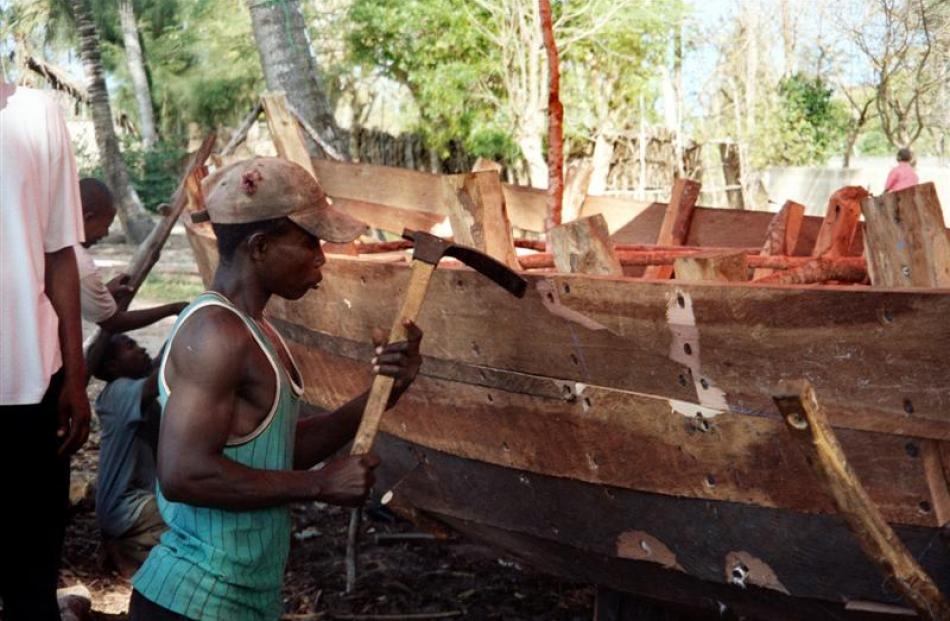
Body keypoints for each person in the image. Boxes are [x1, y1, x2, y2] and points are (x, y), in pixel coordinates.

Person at [129, 157, 424, 620]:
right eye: (310, 243)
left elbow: (277, 448)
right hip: (194, 600)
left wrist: (386, 391)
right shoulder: (216, 334)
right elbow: (184, 474)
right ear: (260, 246)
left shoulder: (255, 328)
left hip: (240, 600)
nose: (322, 258)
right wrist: (319, 484)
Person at [0, 83, 91, 619]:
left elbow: (61, 254)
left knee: (32, 580)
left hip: (33, 382)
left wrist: (75, 378)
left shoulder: (37, 112)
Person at [93, 334, 166, 578]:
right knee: (190, 524)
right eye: (131, 347)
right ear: (113, 367)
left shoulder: (131, 386)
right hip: (127, 506)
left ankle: (125, 550)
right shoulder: (118, 392)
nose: (142, 347)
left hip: (124, 508)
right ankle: (125, 550)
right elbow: (164, 373)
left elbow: (160, 363)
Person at [77, 178, 188, 332]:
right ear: (87, 218)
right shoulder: (81, 265)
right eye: (105, 226)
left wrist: (105, 292)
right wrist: (173, 309)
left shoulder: (51, 244)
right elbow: (114, 323)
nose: (105, 233)